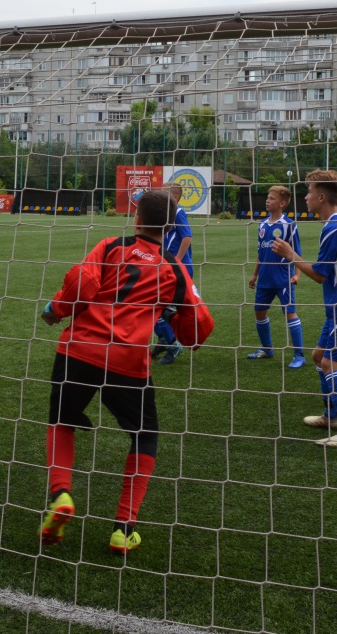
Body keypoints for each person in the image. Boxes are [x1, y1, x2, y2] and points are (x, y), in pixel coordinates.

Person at [38, 190, 214, 553]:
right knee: (144, 436)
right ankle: (123, 526)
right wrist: (172, 316)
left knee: (61, 419)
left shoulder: (110, 246)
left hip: (80, 350)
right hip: (129, 361)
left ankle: (60, 496)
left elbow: (81, 285)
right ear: (170, 228)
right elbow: (198, 328)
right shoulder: (174, 269)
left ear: (136, 218)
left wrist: (55, 309)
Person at [273, 170, 337, 448]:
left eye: (308, 192)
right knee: (319, 356)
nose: (305, 197)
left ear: (321, 197)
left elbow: (320, 275)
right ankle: (332, 416)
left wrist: (291, 255)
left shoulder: (334, 227)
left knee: (331, 363)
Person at [247, 186, 305, 368]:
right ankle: (267, 349)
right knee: (259, 311)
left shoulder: (289, 225)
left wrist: (297, 274)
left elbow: (297, 252)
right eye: (267, 197)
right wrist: (254, 274)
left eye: (271, 198)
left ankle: (299, 355)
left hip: (283, 278)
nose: (267, 200)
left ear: (282, 203)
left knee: (289, 313)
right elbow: (260, 252)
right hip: (265, 277)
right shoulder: (262, 225)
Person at [151, 182, 195, 365]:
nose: (161, 196)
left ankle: (173, 345)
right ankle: (164, 339)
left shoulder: (178, 212)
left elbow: (187, 237)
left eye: (165, 194)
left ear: (175, 197)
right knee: (151, 304)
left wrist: (176, 260)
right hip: (166, 266)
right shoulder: (166, 215)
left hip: (178, 268)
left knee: (160, 307)